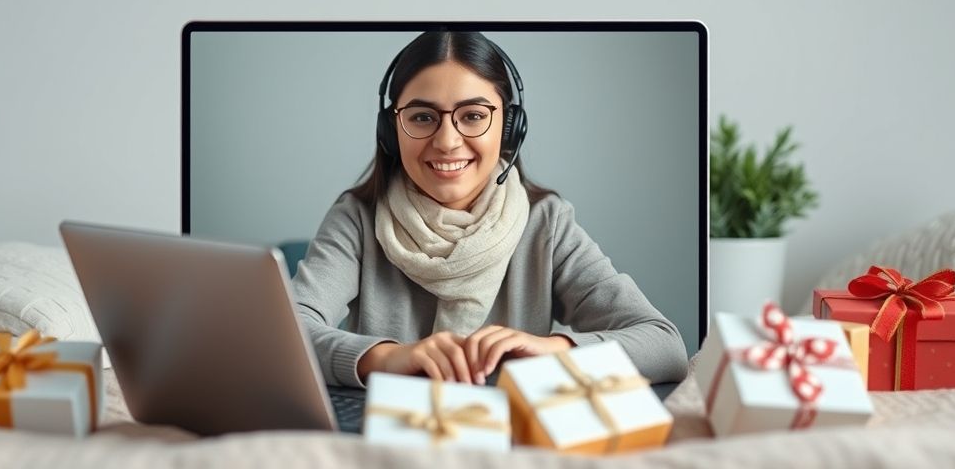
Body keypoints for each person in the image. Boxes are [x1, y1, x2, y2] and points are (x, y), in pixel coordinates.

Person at [291, 31, 688, 388]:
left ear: (510, 127)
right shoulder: (357, 218)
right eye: (422, 117)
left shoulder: (546, 222)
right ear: (391, 131)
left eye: (474, 116)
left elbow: (663, 344)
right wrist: (387, 357)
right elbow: (285, 334)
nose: (447, 141)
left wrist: (559, 351)